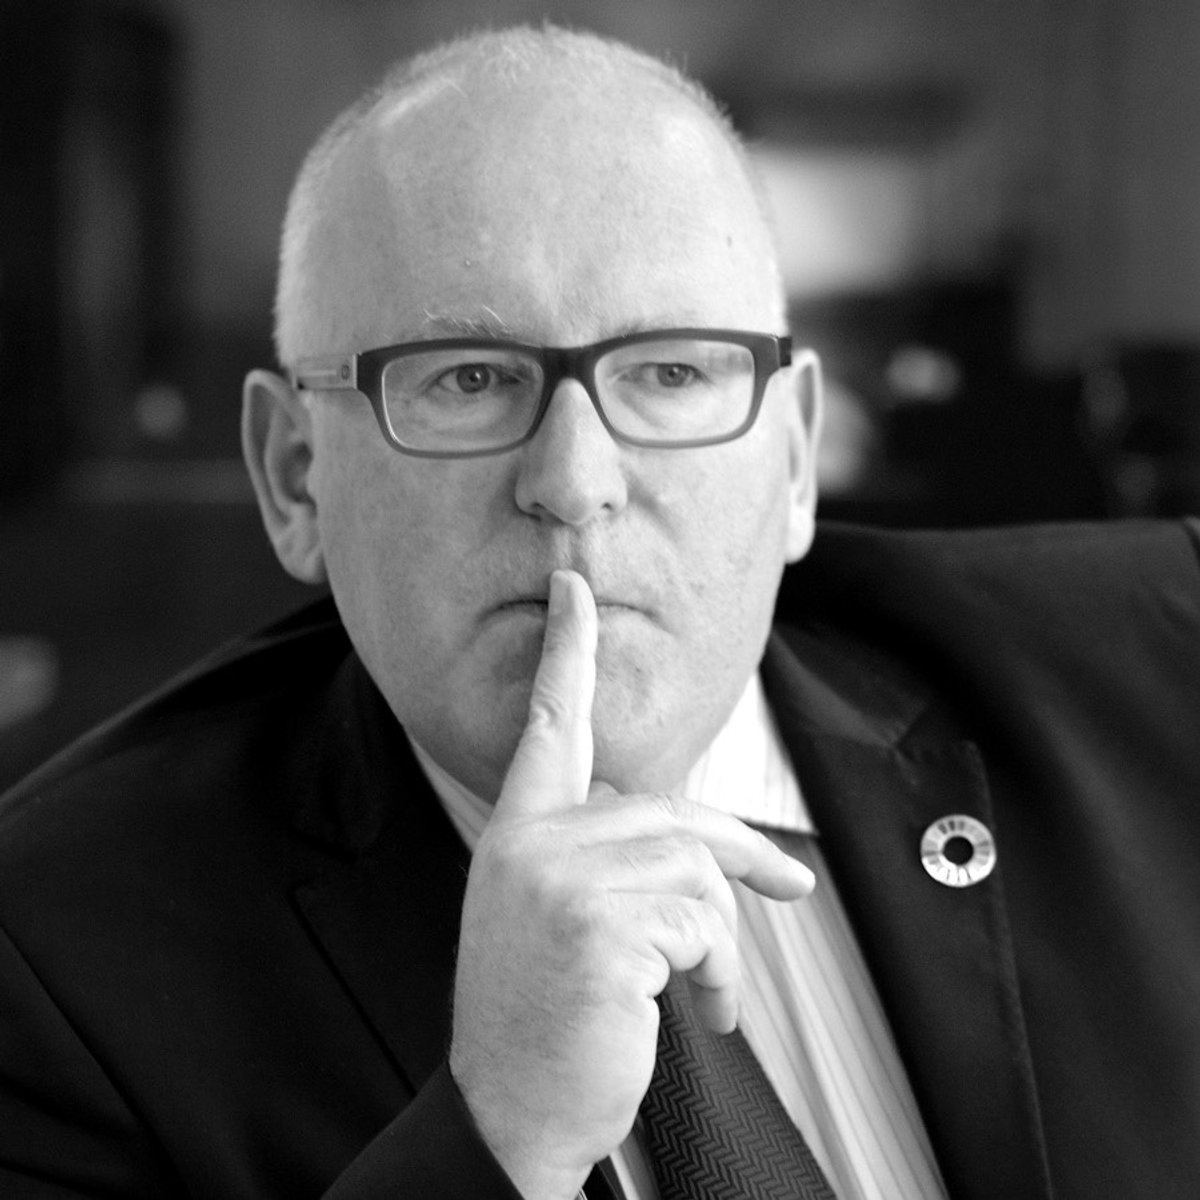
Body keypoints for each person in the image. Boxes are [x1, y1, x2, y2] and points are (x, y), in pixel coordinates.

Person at [2, 23, 1200, 1200]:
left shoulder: (1160, 672)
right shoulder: (55, 972)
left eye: (671, 372)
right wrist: (497, 1135)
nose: (575, 482)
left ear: (793, 460)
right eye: (468, 380)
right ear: (295, 476)